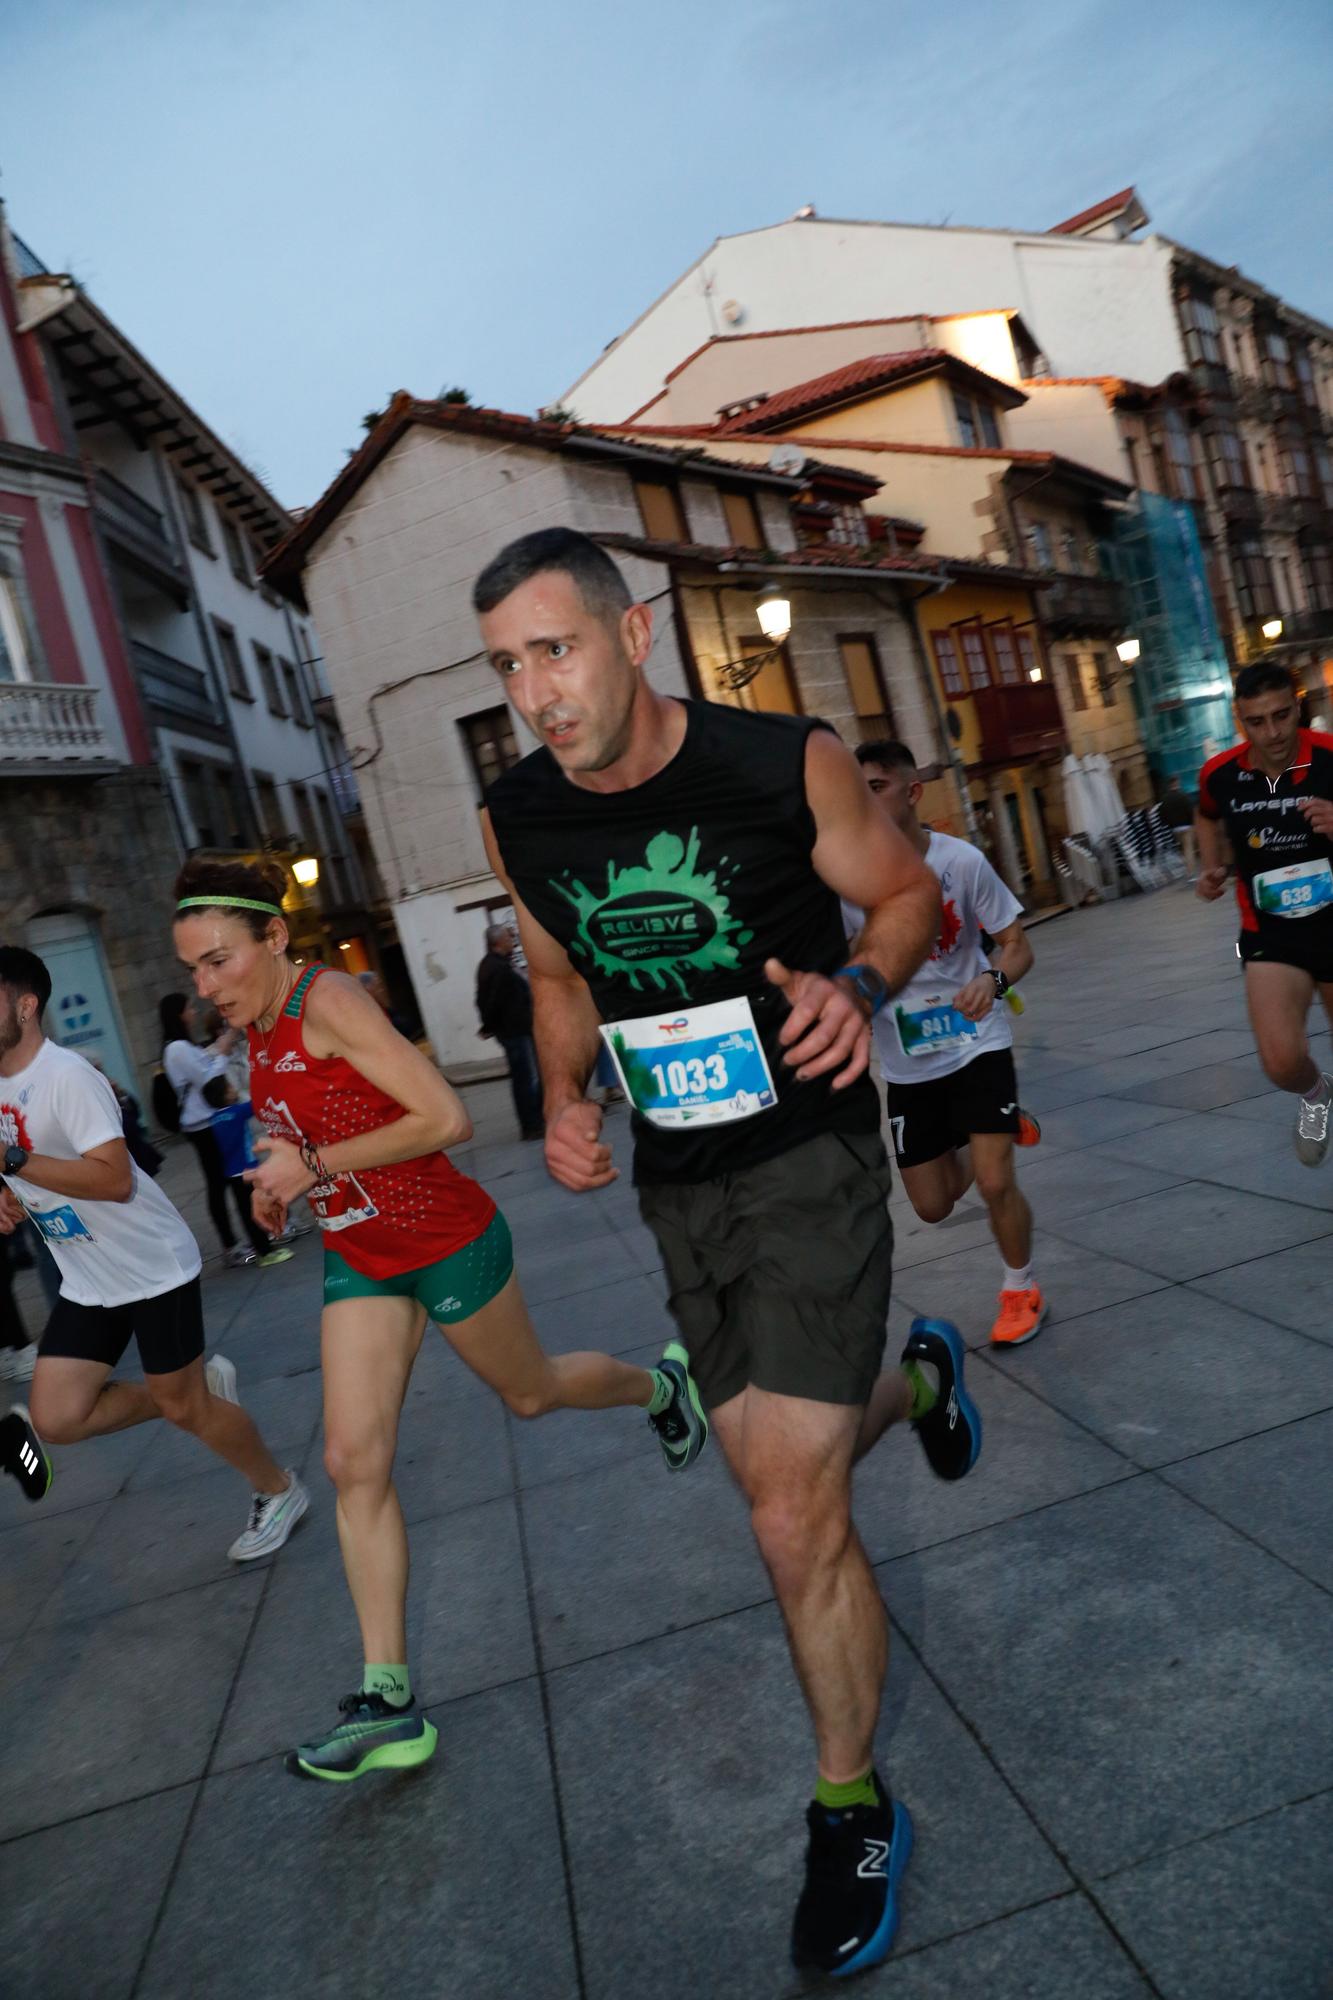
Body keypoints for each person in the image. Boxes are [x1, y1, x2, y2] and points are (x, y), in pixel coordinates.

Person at [475, 527, 983, 1979]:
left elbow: (905, 895)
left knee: (778, 1508)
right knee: (788, 1464)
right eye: (510, 665)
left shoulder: (781, 762)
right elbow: (562, 977)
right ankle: (923, 1388)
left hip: (809, 1156)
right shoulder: (519, 816)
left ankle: (849, 1804)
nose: (535, 690)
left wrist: (860, 983)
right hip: (677, 1179)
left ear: (633, 635)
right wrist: (567, 1096)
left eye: (555, 650)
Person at [171, 853, 709, 1784]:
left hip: (445, 1240)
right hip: (362, 1256)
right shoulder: (252, 1029)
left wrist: (319, 1165)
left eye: (218, 959)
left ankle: (661, 1386)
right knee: (351, 1460)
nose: (204, 984)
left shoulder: (330, 1002)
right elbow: (294, 1126)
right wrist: (276, 1174)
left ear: (271, 938)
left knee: (532, 1394)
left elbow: (447, 1117)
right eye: (191, 968)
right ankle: (389, 1703)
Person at [0, 945, 308, 1552]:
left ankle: (278, 1489)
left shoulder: (66, 1077)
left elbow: (114, 1179)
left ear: (26, 1006)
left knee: (186, 1409)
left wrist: (13, 1162)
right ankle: (197, 1390)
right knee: (59, 1418)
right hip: (89, 1277)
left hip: (151, 1267)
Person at [847, 741, 1044, 1347]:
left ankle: (1020, 1288)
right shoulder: (844, 879)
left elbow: (1018, 945)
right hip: (908, 1064)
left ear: (911, 792)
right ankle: (996, 1125)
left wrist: (993, 979)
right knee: (931, 1206)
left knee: (992, 1181)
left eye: (876, 785)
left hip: (975, 1041)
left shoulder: (960, 862)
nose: (865, 799)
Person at [1196, 662, 1333, 1164]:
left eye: (1282, 715)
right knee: (1279, 1062)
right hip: (1270, 933)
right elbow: (1205, 812)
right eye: (1257, 721)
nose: (1273, 733)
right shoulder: (1221, 774)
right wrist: (1210, 868)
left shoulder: (1330, 758)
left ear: (1298, 706)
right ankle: (1317, 1093)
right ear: (1239, 719)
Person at [160, 992, 290, 1268]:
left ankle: (248, 1240)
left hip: (208, 1122)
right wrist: (223, 1051)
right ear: (178, 1014)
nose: (193, 1012)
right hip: (202, 1125)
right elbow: (209, 1079)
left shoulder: (182, 1046)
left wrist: (220, 1051)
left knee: (224, 1184)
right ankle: (237, 1244)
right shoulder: (177, 1049)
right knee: (224, 1185)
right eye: (188, 1008)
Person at [475, 922, 544, 1139]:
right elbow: (490, 1001)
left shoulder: (497, 963)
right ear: (497, 942)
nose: (512, 941)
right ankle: (531, 1125)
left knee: (529, 1076)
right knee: (525, 1078)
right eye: (508, 938)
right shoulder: (497, 968)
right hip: (514, 1031)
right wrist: (489, 1026)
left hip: (518, 1029)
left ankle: (539, 1117)